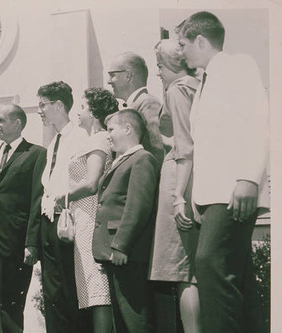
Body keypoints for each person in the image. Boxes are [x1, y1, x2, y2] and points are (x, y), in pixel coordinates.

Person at [177, 11, 269, 332]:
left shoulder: (237, 66)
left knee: (211, 266)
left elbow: (259, 120)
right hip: (212, 197)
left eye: (184, 44)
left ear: (201, 40)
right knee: (237, 277)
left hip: (233, 192)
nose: (181, 52)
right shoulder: (205, 81)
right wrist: (197, 201)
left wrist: (248, 177)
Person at [0, 104, 46, 333]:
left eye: (1, 120)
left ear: (17, 123)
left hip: (16, 245)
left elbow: (36, 200)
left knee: (12, 308)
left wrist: (31, 242)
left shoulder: (36, 154)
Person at [54, 87, 118, 333]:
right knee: (92, 293)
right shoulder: (92, 139)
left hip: (92, 220)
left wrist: (64, 196)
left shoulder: (100, 138)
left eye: (82, 107)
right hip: (82, 221)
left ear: (93, 112)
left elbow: (92, 182)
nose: (78, 112)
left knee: (98, 292)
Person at [148, 39, 201, 333]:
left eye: (159, 65)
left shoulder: (178, 89)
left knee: (183, 271)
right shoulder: (198, 86)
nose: (158, 72)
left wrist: (178, 195)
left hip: (179, 179)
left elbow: (184, 146)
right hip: (193, 175)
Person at [92, 110, 158, 333]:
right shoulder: (124, 160)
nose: (108, 135)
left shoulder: (141, 159)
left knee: (135, 320)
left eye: (111, 129)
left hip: (126, 253)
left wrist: (121, 244)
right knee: (122, 322)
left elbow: (138, 207)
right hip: (115, 254)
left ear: (128, 129)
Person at [37, 81, 91, 333]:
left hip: (68, 224)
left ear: (58, 106)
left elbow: (84, 182)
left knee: (69, 291)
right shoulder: (53, 143)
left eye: (43, 105)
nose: (40, 111)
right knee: (52, 293)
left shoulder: (80, 137)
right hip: (49, 222)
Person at [107, 52, 164, 166]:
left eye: (112, 75)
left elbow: (158, 150)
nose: (109, 81)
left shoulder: (148, 103)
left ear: (128, 76)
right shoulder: (135, 104)